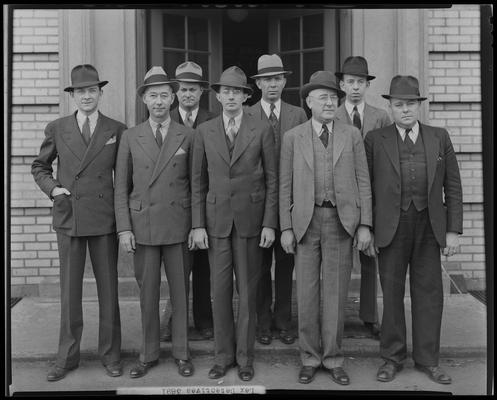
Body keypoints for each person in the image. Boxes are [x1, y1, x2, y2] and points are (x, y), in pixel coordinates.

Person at [364, 75, 463, 385]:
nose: (404, 110)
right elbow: (365, 188)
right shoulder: (375, 139)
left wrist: (453, 231)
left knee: (429, 294)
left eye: (410, 104)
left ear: (419, 106)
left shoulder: (439, 137)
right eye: (398, 104)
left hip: (429, 226)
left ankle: (428, 360)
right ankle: (392, 358)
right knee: (391, 295)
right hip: (390, 228)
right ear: (390, 107)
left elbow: (454, 187)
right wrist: (365, 227)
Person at [31, 64, 125, 381]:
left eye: (92, 90)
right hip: (70, 216)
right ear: (73, 95)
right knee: (70, 292)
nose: (87, 96)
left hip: (104, 218)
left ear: (100, 93)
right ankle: (67, 356)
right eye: (81, 91)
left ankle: (111, 355)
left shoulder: (116, 129)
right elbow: (39, 167)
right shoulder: (57, 128)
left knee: (108, 290)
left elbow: (124, 177)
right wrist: (53, 189)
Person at [279, 71, 372, 385]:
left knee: (335, 293)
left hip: (341, 222)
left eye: (334, 97)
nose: (330, 102)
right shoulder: (293, 137)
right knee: (306, 293)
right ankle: (308, 357)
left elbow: (364, 182)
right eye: (323, 97)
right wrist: (285, 228)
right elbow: (284, 186)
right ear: (308, 102)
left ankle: (332, 358)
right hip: (305, 222)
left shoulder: (352, 135)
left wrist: (365, 225)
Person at [191, 66, 278, 382]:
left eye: (236, 92)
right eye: (225, 92)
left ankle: (245, 359)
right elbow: (198, 182)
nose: (230, 97)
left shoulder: (261, 128)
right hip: (216, 224)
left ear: (245, 96)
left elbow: (272, 179)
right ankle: (222, 357)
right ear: (217, 96)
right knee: (220, 290)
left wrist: (270, 223)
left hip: (250, 222)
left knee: (248, 292)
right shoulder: (205, 131)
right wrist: (197, 224)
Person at [114, 66, 194, 378]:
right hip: (142, 224)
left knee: (179, 293)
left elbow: (196, 183)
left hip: (177, 224)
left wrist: (196, 225)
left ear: (173, 98)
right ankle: (147, 354)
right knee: (147, 293)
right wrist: (123, 228)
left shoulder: (188, 134)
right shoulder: (130, 136)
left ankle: (182, 352)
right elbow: (121, 186)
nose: (159, 101)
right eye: (153, 96)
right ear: (144, 100)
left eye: (164, 95)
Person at [247, 54, 308, 346]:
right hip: (257, 203)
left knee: (286, 264)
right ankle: (262, 323)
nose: (272, 85)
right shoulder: (247, 114)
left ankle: (284, 321)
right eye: (266, 80)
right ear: (258, 84)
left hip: (290, 202)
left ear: (284, 81)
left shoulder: (297, 114)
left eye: (276, 79)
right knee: (259, 266)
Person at [334, 56, 392, 339]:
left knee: (370, 256)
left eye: (361, 82)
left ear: (367, 86)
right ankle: (337, 317)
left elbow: (385, 158)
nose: (355, 88)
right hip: (341, 196)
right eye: (350, 82)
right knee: (339, 259)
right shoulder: (331, 114)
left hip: (370, 194)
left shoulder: (379, 116)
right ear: (341, 84)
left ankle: (369, 316)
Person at [160, 61, 215, 342]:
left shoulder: (212, 119)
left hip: (204, 204)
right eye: (182, 90)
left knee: (203, 267)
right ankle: (172, 322)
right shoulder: (164, 120)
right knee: (176, 270)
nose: (187, 95)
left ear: (202, 91)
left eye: (193, 89)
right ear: (174, 92)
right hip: (172, 205)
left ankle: (205, 320)